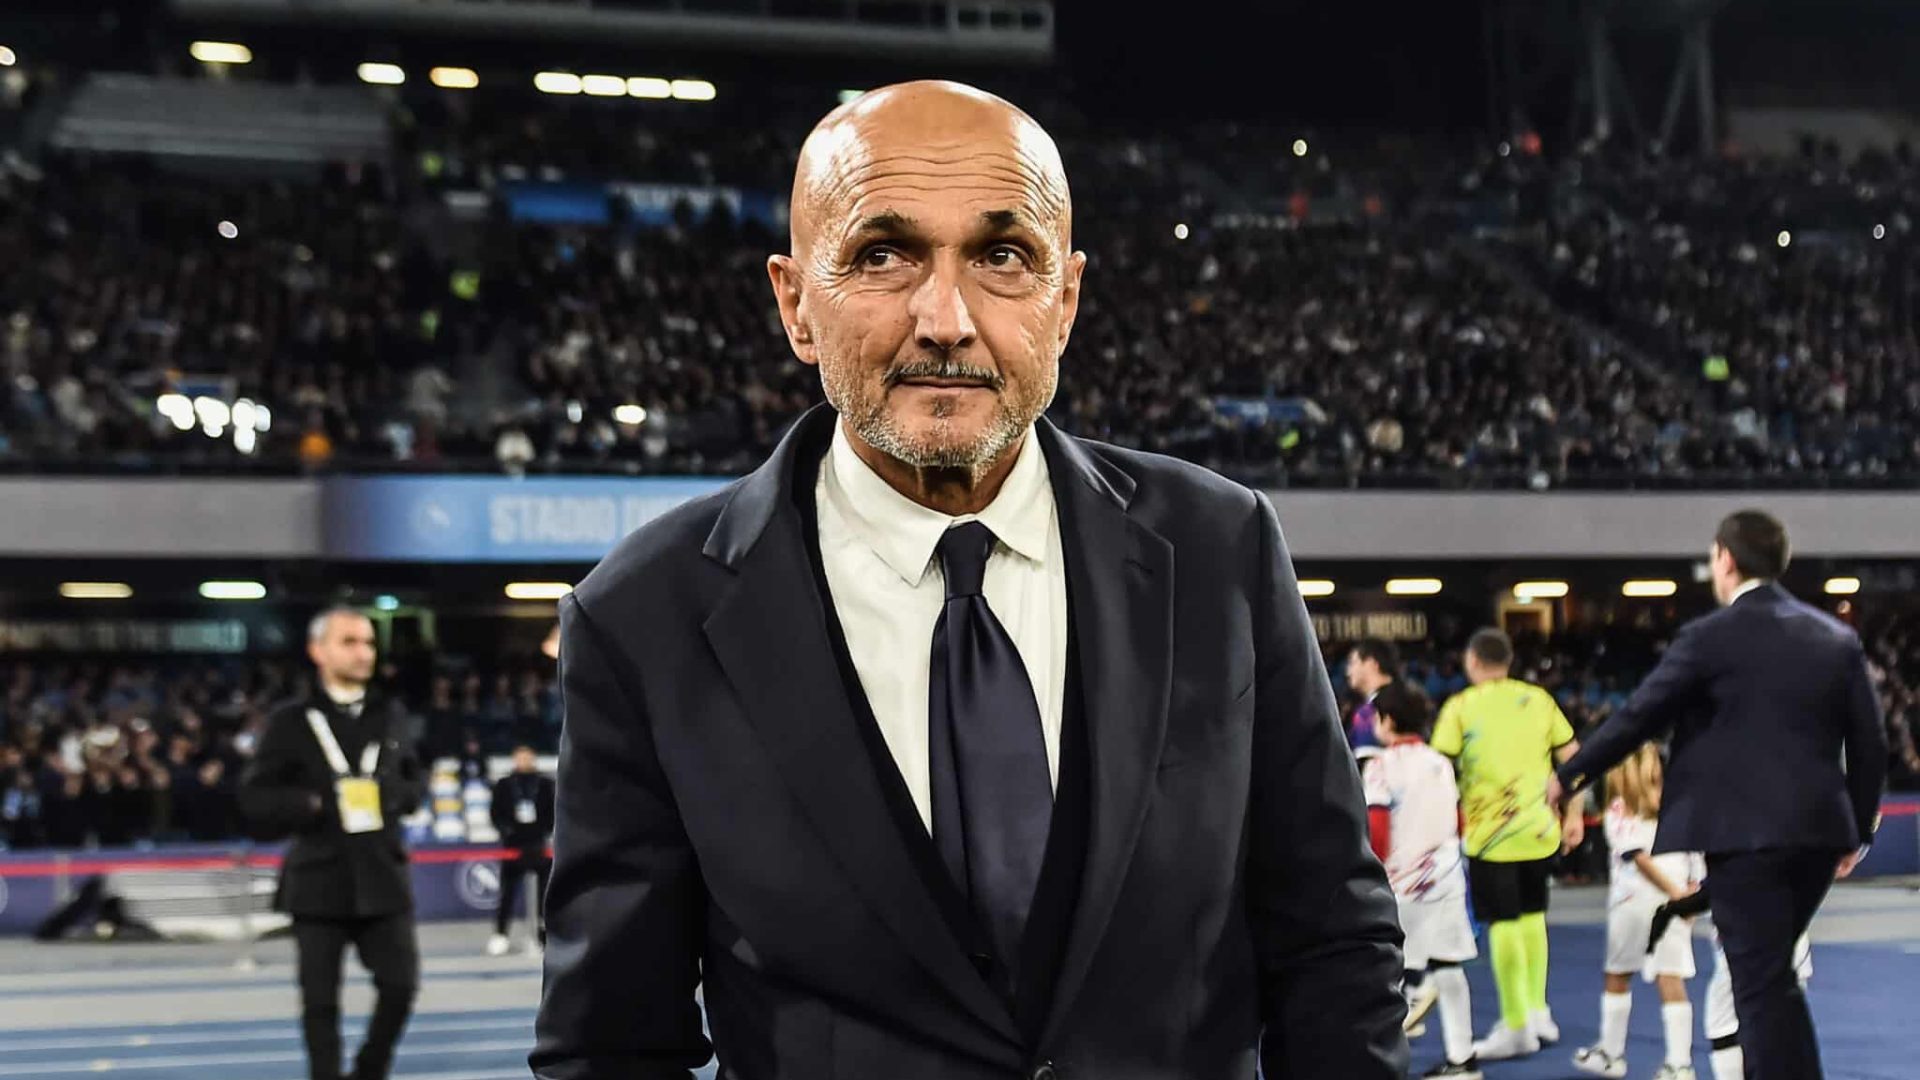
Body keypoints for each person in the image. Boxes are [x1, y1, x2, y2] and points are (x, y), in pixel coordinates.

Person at [531, 80, 1407, 1079]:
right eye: (882, 254)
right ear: (794, 304)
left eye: (1001, 257)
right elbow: (609, 1047)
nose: (945, 318)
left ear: (1065, 300)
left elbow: (1331, 941)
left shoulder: (1220, 547)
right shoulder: (645, 617)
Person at [1552, 510, 1886, 1080]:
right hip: (1818, 836)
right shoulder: (1836, 638)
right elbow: (1871, 743)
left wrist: (1570, 775)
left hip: (1741, 837)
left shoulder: (1708, 638)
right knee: (1771, 978)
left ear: (1725, 559)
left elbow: (1639, 717)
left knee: (1759, 985)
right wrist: (1858, 828)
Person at [240, 609, 424, 1080]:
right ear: (318, 651)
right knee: (320, 1003)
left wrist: (396, 797)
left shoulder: (391, 715)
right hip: (319, 877)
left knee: (401, 986)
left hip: (383, 875)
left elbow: (412, 782)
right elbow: (255, 799)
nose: (363, 652)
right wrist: (310, 804)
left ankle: (369, 1070)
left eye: (368, 642)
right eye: (350, 642)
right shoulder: (290, 721)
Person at [1431, 627, 1582, 1062]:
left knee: (1504, 923)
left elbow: (1440, 767)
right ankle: (1538, 1011)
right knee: (1534, 917)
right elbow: (1575, 757)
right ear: (1509, 660)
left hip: (1490, 834)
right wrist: (1573, 815)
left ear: (1472, 661)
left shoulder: (1460, 707)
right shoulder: (1538, 700)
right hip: (1538, 829)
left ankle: (1516, 1024)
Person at [1363, 682, 1481, 1079]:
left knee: (1391, 975)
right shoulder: (1440, 763)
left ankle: (1389, 1056)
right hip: (1446, 878)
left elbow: (1378, 833)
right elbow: (1460, 820)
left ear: (1388, 720)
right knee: (1450, 967)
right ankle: (1463, 1060)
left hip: (1404, 884)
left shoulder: (1379, 767)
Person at [1571, 744, 1703, 1080]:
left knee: (1618, 975)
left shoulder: (1619, 808)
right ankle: (1680, 1063)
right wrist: (1689, 894)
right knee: (1670, 978)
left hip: (1632, 902)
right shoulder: (1678, 803)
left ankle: (1612, 1054)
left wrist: (1676, 894)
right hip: (1673, 902)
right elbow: (1695, 854)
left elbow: (1636, 855)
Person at [487, 742, 555, 956]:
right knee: (507, 892)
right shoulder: (505, 785)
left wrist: (543, 830)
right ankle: (501, 934)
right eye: (519, 757)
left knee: (545, 894)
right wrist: (507, 831)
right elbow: (495, 813)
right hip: (513, 845)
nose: (523, 761)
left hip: (538, 844)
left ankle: (544, 936)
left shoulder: (545, 784)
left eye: (527, 757)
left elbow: (553, 811)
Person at [1346, 637, 1400, 755]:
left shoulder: (1400, 705)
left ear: (1371, 664)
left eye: (1353, 663)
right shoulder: (1364, 707)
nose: (1348, 672)